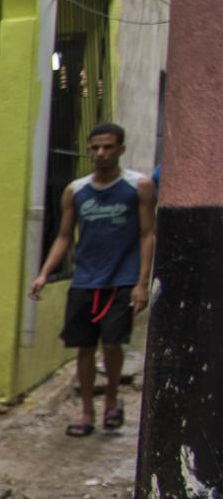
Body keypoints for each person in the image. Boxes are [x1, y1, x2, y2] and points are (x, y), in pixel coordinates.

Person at [30, 121, 156, 436]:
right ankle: (86, 411)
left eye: (108, 147)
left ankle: (112, 398)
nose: (100, 153)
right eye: (95, 147)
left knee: (113, 343)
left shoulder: (137, 186)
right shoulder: (76, 190)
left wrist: (142, 283)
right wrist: (44, 273)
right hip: (85, 280)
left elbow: (147, 234)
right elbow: (63, 236)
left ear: (121, 149)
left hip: (121, 280)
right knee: (83, 348)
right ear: (88, 150)